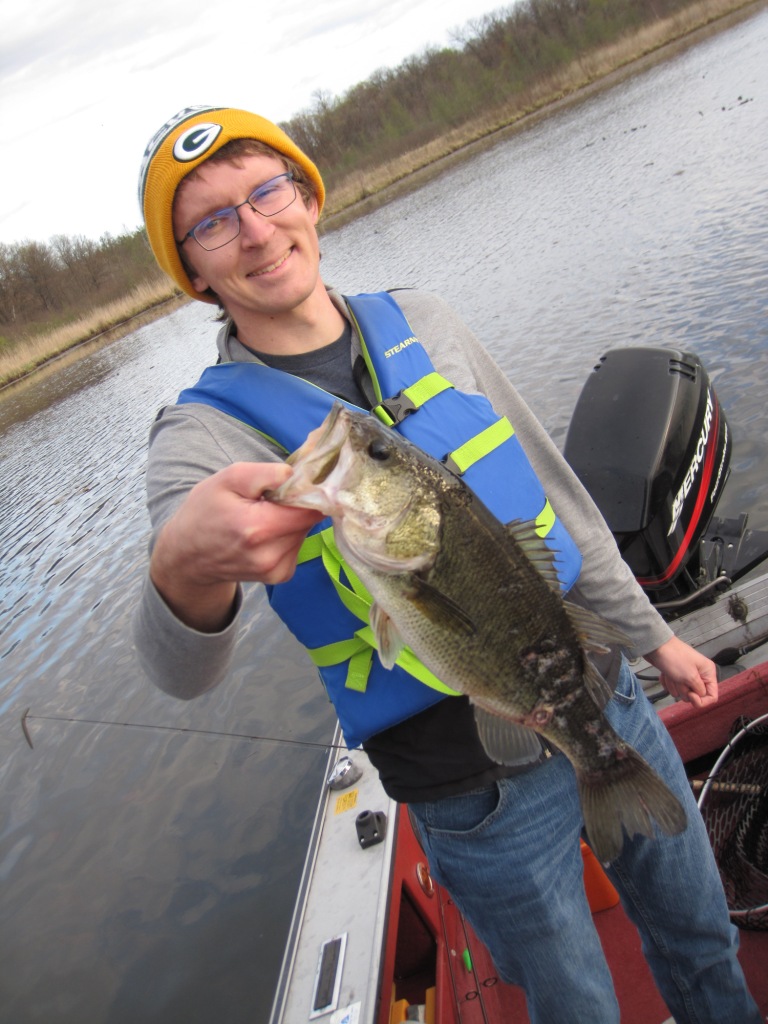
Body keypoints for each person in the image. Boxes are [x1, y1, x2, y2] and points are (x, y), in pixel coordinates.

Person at [134, 106, 761, 1024]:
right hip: (470, 796)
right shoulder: (197, 437)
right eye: (213, 221)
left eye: (265, 191)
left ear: (307, 196)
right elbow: (177, 671)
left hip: (603, 697)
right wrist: (184, 565)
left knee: (705, 940)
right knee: (573, 1007)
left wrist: (651, 637)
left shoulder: (425, 320)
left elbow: (559, 494)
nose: (255, 230)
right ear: (192, 269)